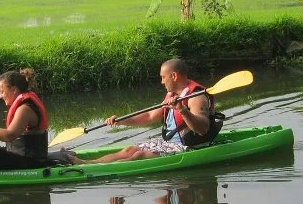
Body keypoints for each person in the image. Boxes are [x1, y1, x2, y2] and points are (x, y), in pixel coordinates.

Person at [69, 58, 222, 164]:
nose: (161, 82)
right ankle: (87, 163)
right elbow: (149, 116)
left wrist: (181, 109)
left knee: (139, 155)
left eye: (163, 77)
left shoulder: (197, 96)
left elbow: (202, 129)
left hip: (190, 147)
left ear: (174, 76)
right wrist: (121, 121)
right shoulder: (173, 95)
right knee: (130, 149)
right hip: (170, 143)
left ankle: (93, 167)